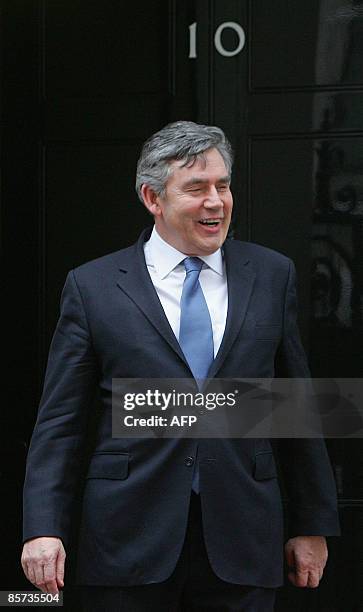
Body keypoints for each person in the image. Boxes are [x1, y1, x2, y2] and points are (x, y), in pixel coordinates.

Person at [21, 121, 340, 612]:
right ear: (153, 198)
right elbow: (60, 422)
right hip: (128, 538)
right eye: (196, 189)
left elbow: (295, 406)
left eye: (223, 185)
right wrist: (44, 527)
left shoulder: (272, 275)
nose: (216, 201)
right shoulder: (94, 286)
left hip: (244, 537)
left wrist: (311, 523)